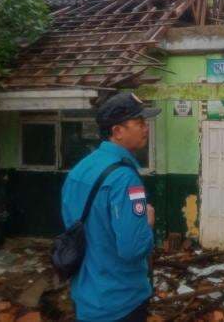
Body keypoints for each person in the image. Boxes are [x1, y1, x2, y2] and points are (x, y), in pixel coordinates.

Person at [61, 92, 160, 322]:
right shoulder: (125, 179)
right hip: (121, 301)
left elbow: (72, 225)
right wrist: (148, 223)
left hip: (87, 295)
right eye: (140, 122)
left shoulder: (80, 169)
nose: (146, 128)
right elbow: (133, 248)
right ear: (117, 131)